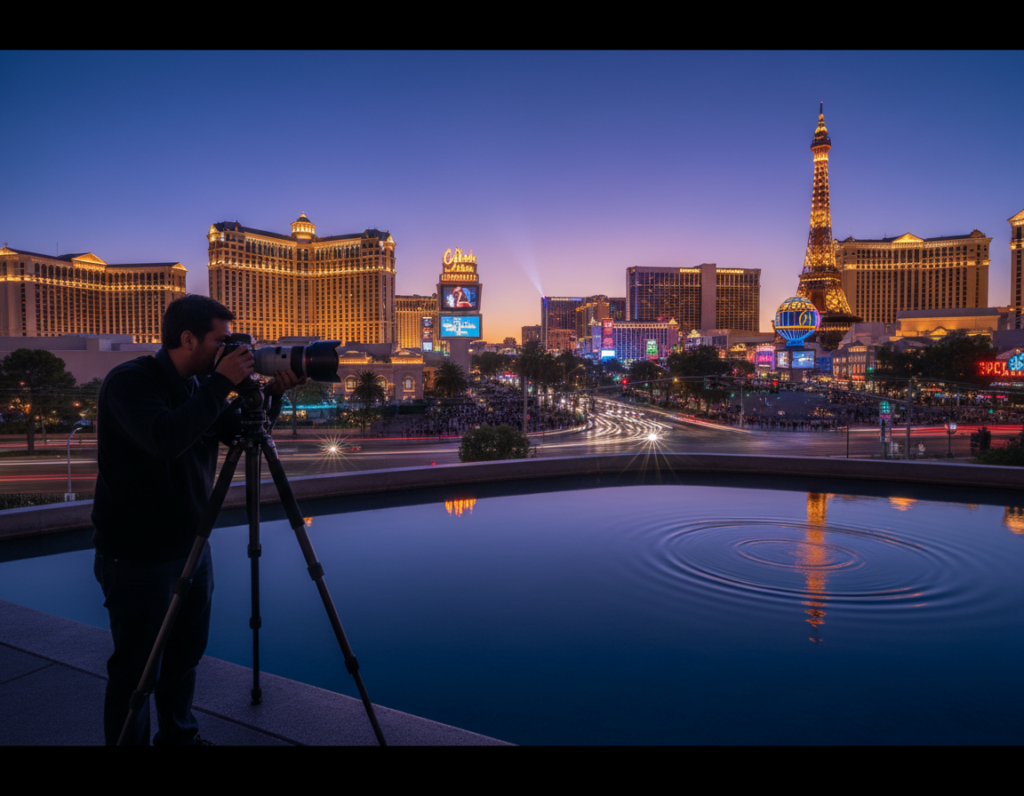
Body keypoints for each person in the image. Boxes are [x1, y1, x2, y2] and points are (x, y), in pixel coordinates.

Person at [92, 295, 303, 745]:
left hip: (190, 547)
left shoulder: (196, 387)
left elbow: (242, 433)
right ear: (188, 339)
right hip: (137, 555)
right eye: (221, 341)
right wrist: (219, 385)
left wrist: (274, 393)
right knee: (136, 670)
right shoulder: (131, 382)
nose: (230, 350)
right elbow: (166, 438)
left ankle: (179, 740)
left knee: (185, 657)